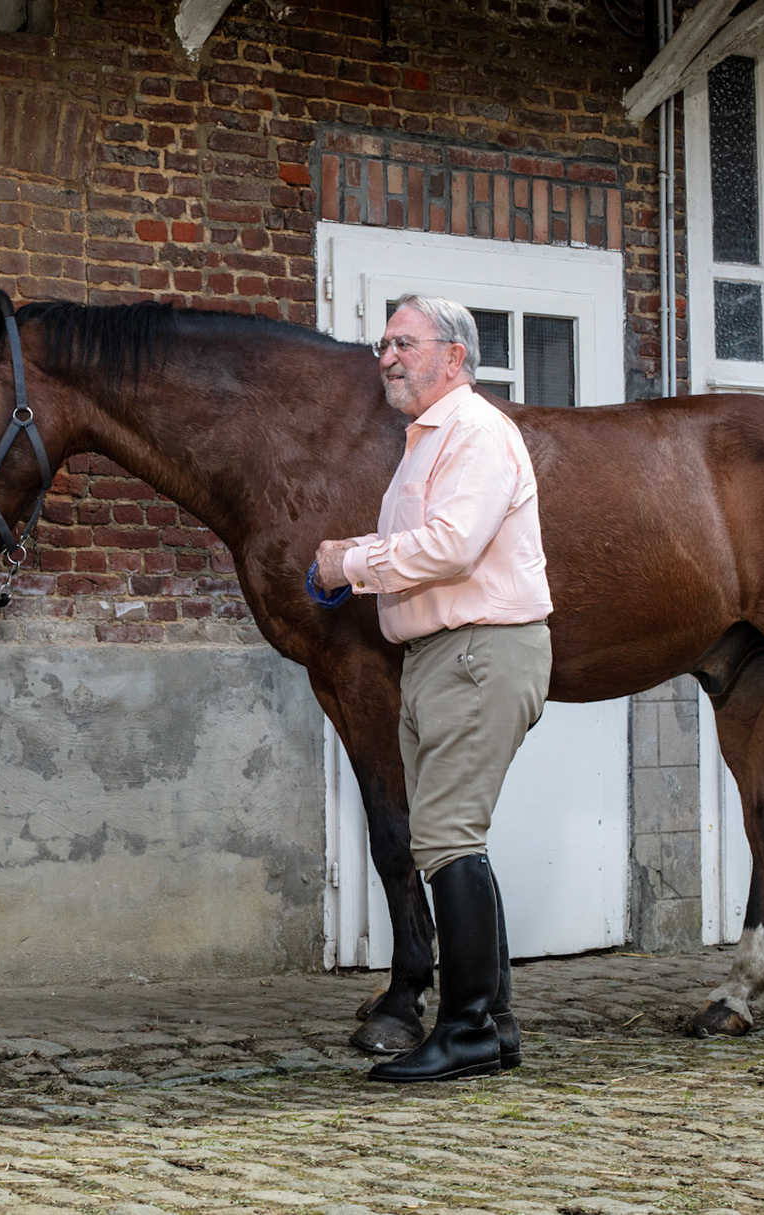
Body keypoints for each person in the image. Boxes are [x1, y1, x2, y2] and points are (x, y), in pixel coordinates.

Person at [314, 294, 552, 1083]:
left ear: (454, 356)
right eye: (383, 343)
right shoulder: (424, 443)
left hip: (480, 651)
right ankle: (496, 1022)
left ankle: (466, 1029)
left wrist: (350, 563)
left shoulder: (477, 433)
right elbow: (422, 543)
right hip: (437, 654)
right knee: (452, 837)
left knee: (448, 836)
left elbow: (450, 546)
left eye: (404, 342)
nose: (386, 356)